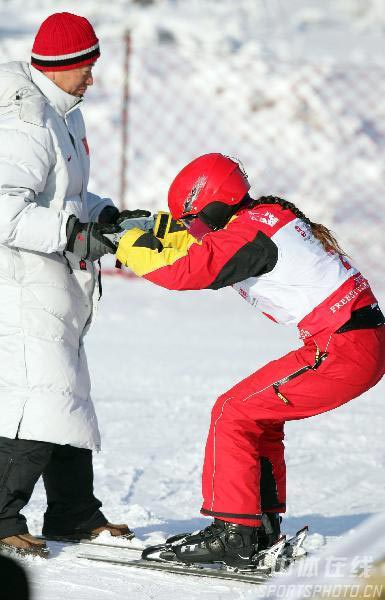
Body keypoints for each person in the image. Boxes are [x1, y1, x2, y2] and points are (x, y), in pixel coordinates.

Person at [115, 153, 385, 568]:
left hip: (343, 347)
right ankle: (259, 523)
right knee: (256, 415)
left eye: (196, 220)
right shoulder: (262, 217)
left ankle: (235, 531)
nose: (195, 230)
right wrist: (155, 227)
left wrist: (123, 243)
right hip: (352, 339)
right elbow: (201, 243)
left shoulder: (250, 233)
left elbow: (184, 270)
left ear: (216, 205)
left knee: (232, 411)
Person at [0, 12, 149, 557]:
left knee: (65, 396)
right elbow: (4, 211)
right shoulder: (24, 121)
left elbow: (63, 197)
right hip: (18, 281)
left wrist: (107, 217)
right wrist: (72, 232)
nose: (92, 76)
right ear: (58, 65)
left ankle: (73, 513)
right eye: (84, 65)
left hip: (53, 282)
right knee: (35, 399)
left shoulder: (64, 114)